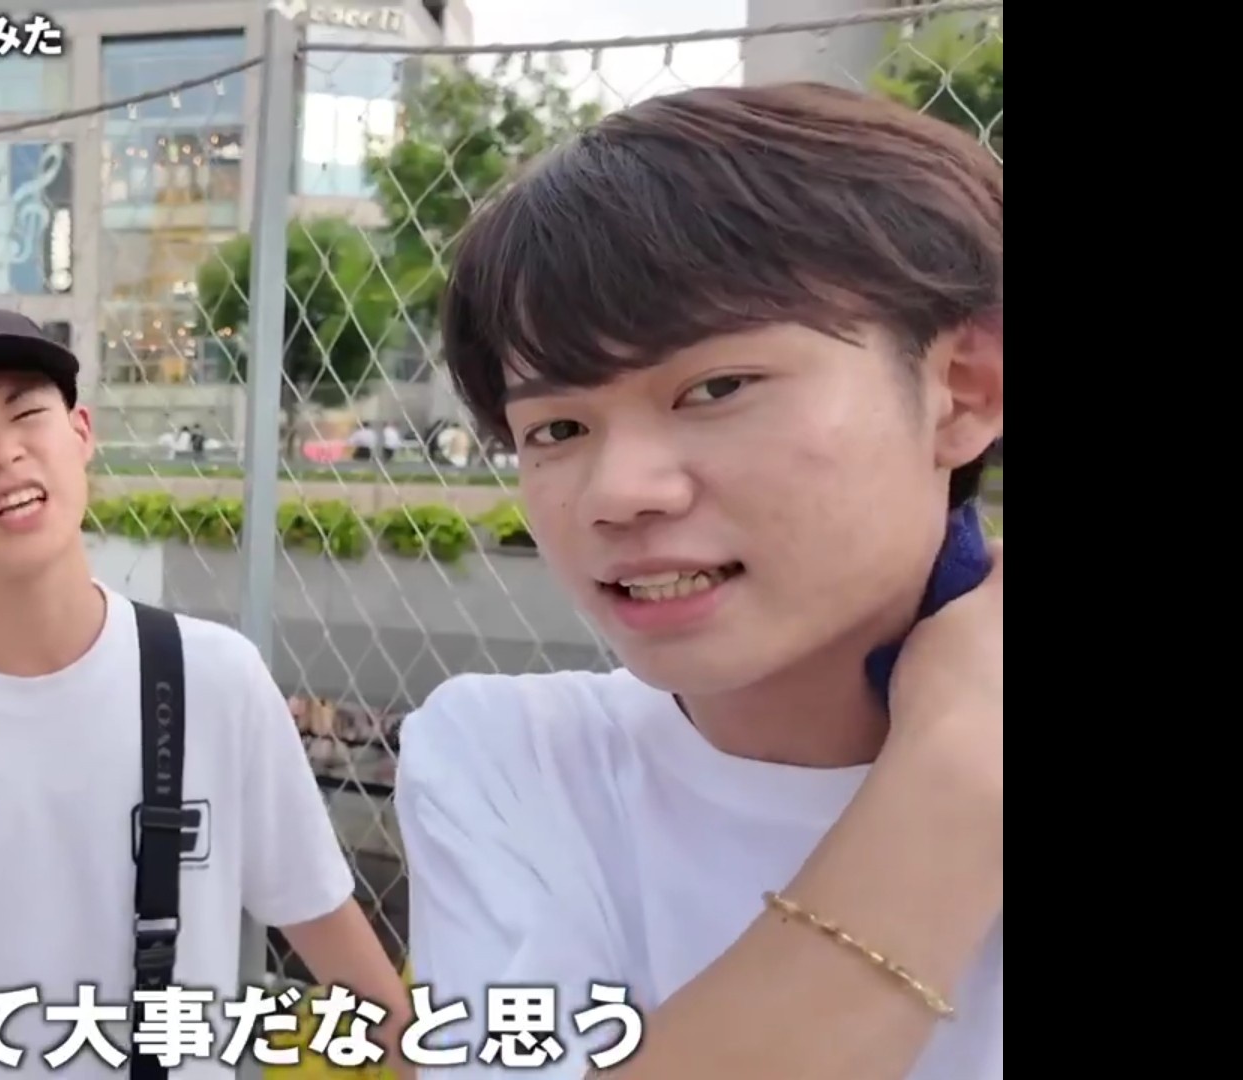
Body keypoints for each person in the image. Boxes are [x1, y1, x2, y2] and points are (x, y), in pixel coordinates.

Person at [395, 83, 1002, 1080]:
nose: (617, 493)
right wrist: (960, 764)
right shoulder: (517, 764)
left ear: (962, 391)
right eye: (558, 428)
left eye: (717, 388)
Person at [0, 301, 409, 1080]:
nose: (1, 452)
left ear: (82, 432)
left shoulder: (213, 679)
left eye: (27, 412)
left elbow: (334, 940)